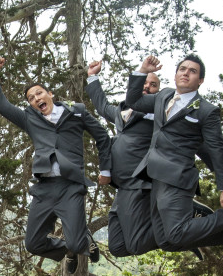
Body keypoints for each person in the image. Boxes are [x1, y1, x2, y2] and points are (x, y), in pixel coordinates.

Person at [0, 56, 112, 273]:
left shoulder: (76, 111)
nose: (36, 98)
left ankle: (77, 244)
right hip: (44, 188)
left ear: (50, 94)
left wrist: (106, 169)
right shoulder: (29, 119)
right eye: (31, 98)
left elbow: (102, 136)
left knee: (75, 242)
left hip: (71, 186)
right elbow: (0, 104)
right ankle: (70, 249)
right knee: (33, 244)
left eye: (39, 93)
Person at [86, 62, 215, 260]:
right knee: (118, 247)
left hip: (141, 184)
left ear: (158, 92)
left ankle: (185, 228)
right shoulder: (123, 112)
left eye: (153, 85)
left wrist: (217, 164)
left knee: (136, 243)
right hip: (122, 186)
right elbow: (103, 106)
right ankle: (184, 234)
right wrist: (92, 77)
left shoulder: (162, 114)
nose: (147, 86)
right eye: (144, 82)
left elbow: (193, 140)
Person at [124, 54, 223, 253]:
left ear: (200, 81)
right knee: (165, 241)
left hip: (178, 178)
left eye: (192, 71)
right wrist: (142, 70)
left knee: (176, 234)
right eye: (182, 69)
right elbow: (133, 100)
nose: (186, 73)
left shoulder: (207, 110)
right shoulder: (163, 96)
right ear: (175, 76)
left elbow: (216, 148)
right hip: (154, 174)